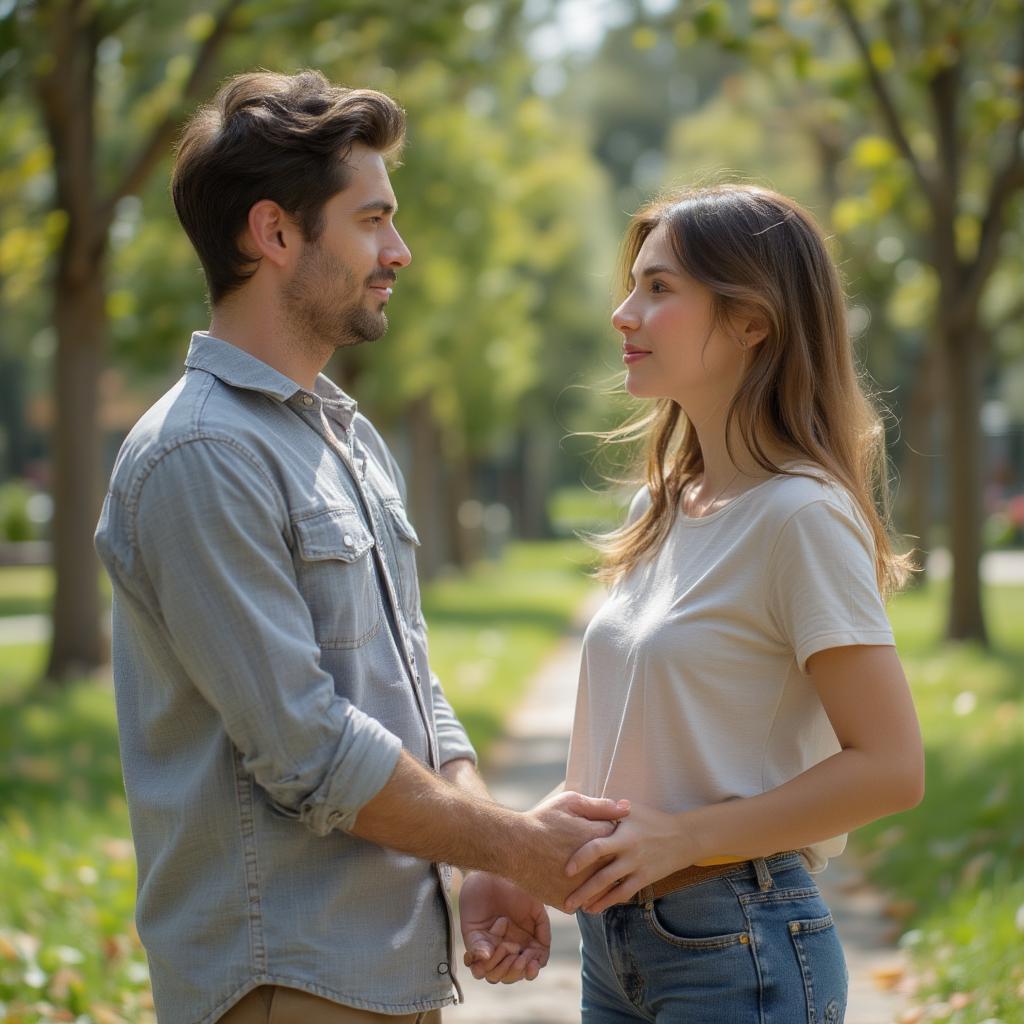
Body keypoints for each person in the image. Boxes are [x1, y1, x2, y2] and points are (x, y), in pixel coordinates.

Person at [94, 69, 627, 1024]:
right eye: (373, 220)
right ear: (276, 233)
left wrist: (478, 863)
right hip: (286, 980)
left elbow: (410, 688)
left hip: (384, 973)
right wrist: (512, 845)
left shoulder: (344, 436)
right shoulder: (200, 455)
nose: (401, 250)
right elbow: (306, 749)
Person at [556, 184, 925, 1022]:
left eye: (659, 289)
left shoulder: (802, 516)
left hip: (738, 945)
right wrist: (514, 864)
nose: (623, 313)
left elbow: (893, 767)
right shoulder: (661, 506)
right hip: (615, 946)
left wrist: (686, 839)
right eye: (632, 285)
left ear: (752, 321)